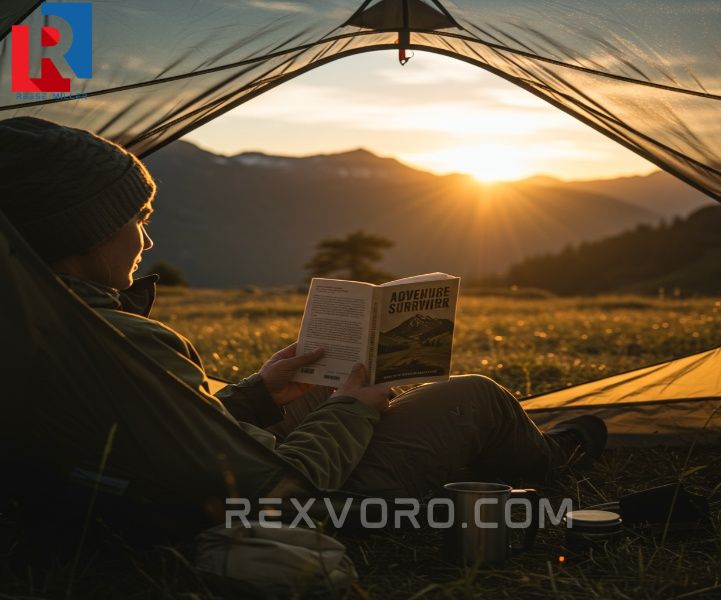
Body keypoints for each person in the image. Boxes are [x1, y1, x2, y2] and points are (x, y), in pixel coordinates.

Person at [0, 117, 605, 515]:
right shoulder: (123, 342)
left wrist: (257, 394)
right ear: (83, 231)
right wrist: (352, 411)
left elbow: (164, 430)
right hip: (290, 508)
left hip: (143, 489)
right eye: (137, 221)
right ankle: (551, 458)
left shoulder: (39, 322)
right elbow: (279, 488)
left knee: (317, 386)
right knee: (476, 397)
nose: (147, 241)